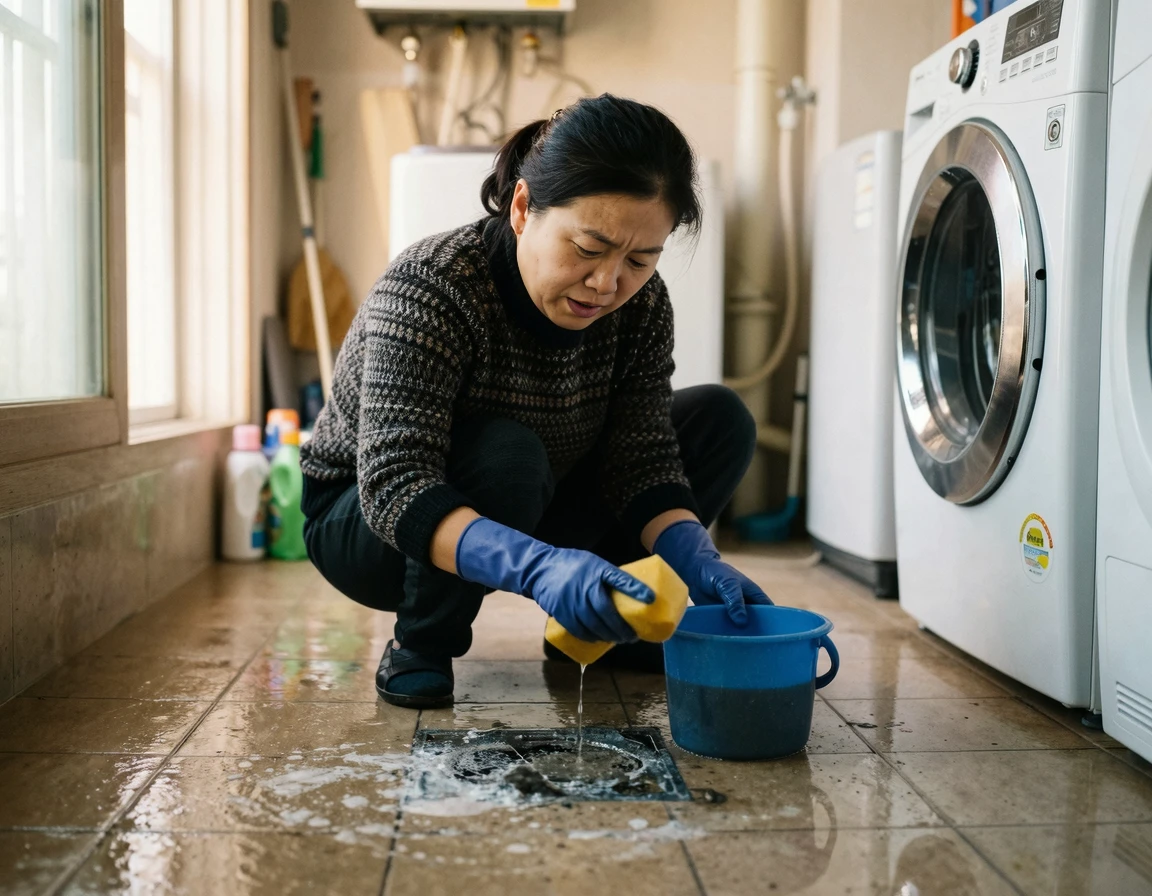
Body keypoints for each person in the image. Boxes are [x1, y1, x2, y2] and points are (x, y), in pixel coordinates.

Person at [300, 94, 771, 709]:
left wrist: (696, 556)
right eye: (588, 248)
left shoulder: (642, 308)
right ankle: (423, 641)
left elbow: (644, 458)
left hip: (539, 487)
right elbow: (393, 485)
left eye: (639, 259)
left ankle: (605, 619)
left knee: (718, 419)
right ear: (523, 208)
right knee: (506, 452)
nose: (607, 284)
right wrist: (539, 568)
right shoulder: (433, 287)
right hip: (366, 521)